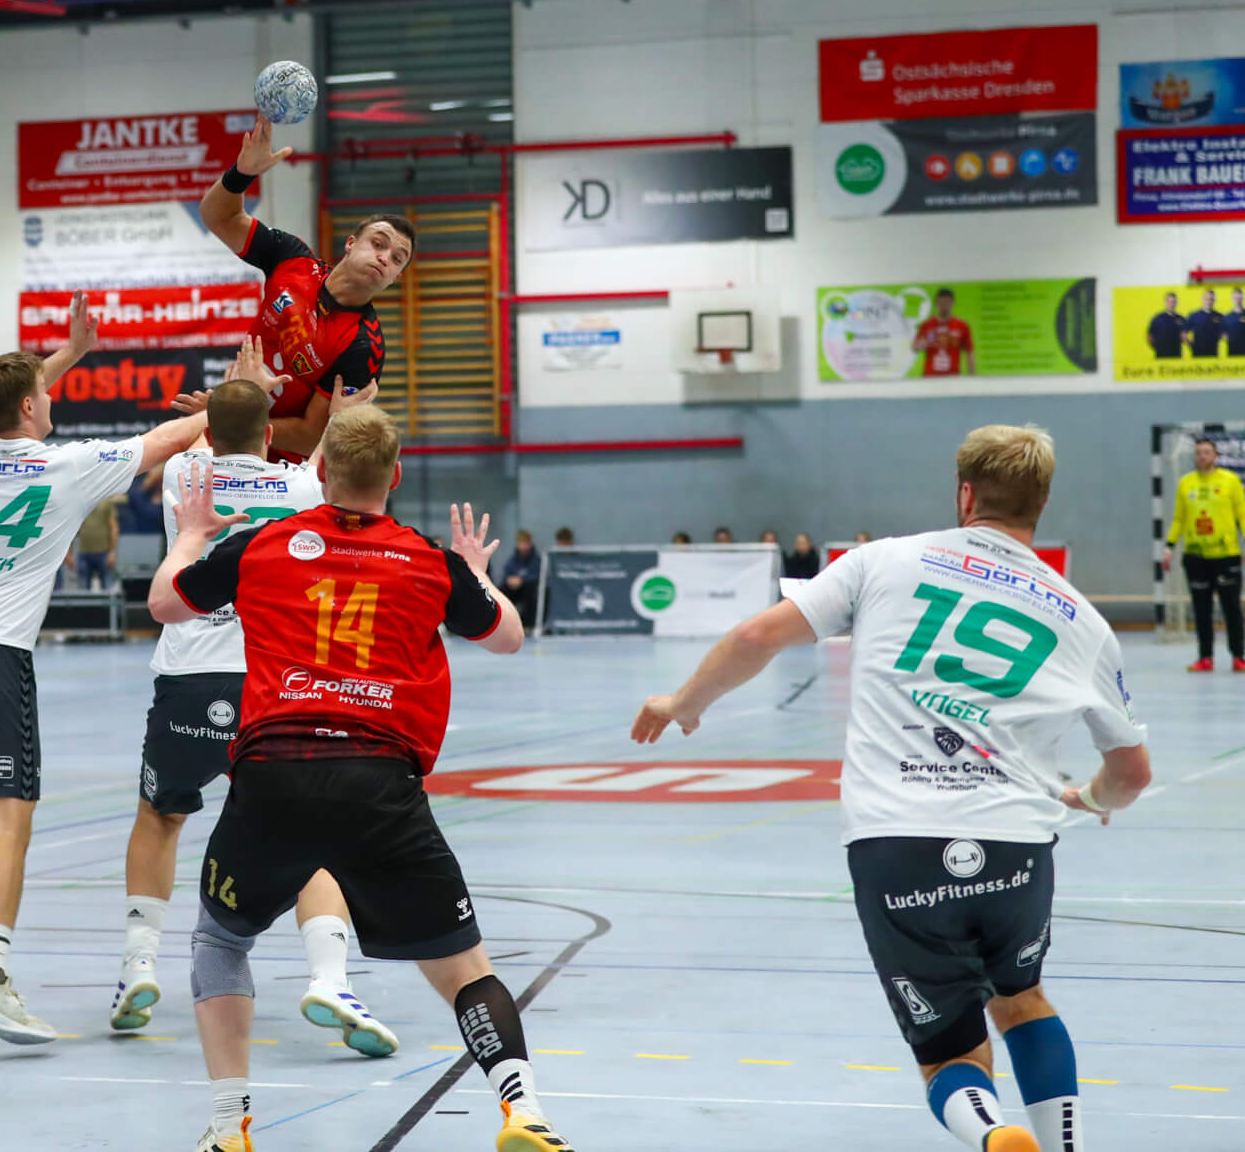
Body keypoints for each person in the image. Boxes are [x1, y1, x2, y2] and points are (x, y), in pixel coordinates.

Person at [632, 424, 1151, 1152]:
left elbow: (755, 638)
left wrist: (683, 703)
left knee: (949, 1054)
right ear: (1042, 504)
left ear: (965, 494)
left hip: (896, 843)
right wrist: (1090, 800)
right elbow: (1131, 774)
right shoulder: (1084, 621)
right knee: (1022, 998)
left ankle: (993, 1132)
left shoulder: (883, 561)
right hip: (1016, 845)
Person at [149, 407, 565, 1152]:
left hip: (273, 774)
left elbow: (164, 604)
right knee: (466, 969)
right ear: (394, 476)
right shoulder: (428, 560)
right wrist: (474, 572)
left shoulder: (262, 544)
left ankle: (228, 1125)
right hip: (381, 782)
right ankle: (523, 1109)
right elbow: (508, 636)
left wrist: (189, 536)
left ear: (322, 472)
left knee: (220, 939)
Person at [0, 293, 212, 1046]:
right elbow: (163, 440)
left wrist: (70, 353)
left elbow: (7, 396)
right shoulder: (67, 468)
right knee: (7, 826)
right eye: (45, 393)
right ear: (29, 406)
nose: (51, 397)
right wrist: (227, 407)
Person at [113, 358, 394, 1052]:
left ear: (209, 430)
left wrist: (236, 398)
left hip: (190, 677)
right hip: (275, 683)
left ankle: (137, 967)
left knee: (159, 817)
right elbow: (329, 455)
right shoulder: (302, 486)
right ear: (271, 434)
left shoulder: (184, 475)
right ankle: (330, 978)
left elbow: (201, 436)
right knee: (311, 832)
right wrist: (337, 411)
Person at [196, 114, 407, 460]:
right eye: (378, 243)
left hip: (284, 473)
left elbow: (313, 436)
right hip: (227, 444)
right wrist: (242, 174)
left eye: (398, 259)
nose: (385, 258)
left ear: (395, 277)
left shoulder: (363, 344)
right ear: (350, 243)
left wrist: (234, 418)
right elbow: (219, 216)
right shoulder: (292, 259)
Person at [1164, 436, 1245, 673]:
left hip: (1226, 556)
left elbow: (1242, 514)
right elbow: (1179, 519)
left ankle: (1238, 656)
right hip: (1196, 557)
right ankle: (1205, 657)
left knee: (1232, 608)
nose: (1202, 456)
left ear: (1216, 456)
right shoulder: (1186, 483)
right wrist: (1169, 546)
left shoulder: (1230, 481)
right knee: (1201, 610)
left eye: (1207, 452)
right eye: (1198, 452)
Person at [913, 286, 975, 377]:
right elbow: (915, 347)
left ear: (952, 303)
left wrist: (973, 377)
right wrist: (921, 344)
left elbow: (969, 352)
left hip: (953, 378)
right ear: (936, 303)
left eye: (947, 302)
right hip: (930, 378)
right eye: (941, 302)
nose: (944, 305)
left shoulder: (962, 326)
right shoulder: (927, 325)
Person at [70, 493, 121, 591]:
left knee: (108, 590)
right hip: (84, 553)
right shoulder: (80, 502)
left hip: (104, 553)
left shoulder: (107, 500)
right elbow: (72, 528)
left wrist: (112, 553)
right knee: (83, 591)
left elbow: (114, 529)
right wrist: (69, 553)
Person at [497, 528, 543, 629]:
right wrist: (509, 580)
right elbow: (506, 574)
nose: (523, 546)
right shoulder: (513, 559)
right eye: (521, 543)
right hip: (515, 589)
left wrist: (522, 580)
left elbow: (537, 576)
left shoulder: (536, 559)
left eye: (525, 543)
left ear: (530, 544)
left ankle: (528, 624)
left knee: (531, 591)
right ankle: (502, 621)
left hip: (528, 589)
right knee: (501, 591)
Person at [1186, 288, 1225, 360]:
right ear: (1203, 299)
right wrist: (1193, 346)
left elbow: (1225, 333)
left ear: (1214, 300)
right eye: (1207, 299)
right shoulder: (1194, 316)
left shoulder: (1219, 316)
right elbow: (1183, 334)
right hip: (1197, 355)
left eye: (1211, 299)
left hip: (1213, 355)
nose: (1209, 301)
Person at [1148, 291, 1186, 360]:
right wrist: (1158, 348)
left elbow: (1185, 336)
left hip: (1177, 356)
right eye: (1169, 302)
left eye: (1173, 302)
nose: (1171, 304)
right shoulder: (1157, 319)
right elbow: (1150, 337)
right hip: (1161, 357)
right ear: (1165, 302)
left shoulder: (1181, 319)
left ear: (1176, 303)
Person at [1226, 287, 1245, 358]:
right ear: (1232, 299)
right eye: (1236, 298)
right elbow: (1223, 333)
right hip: (1232, 353)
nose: (1238, 300)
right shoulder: (1227, 317)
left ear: (1243, 299)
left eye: (1240, 298)